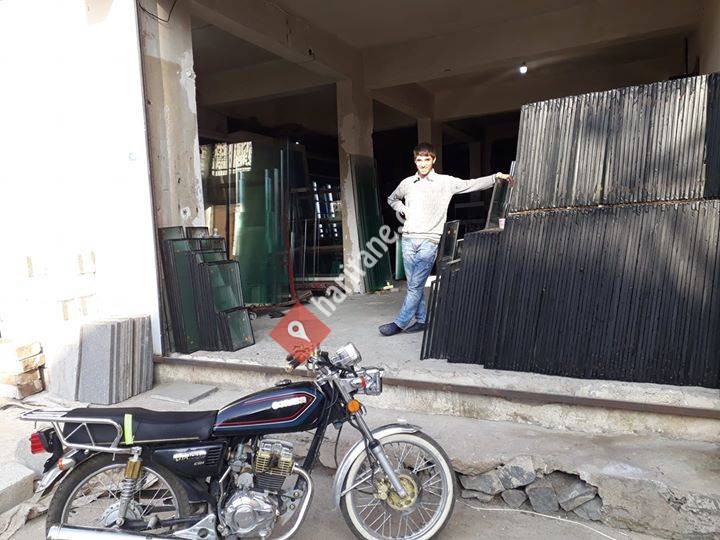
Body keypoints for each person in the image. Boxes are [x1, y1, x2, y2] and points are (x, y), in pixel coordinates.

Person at [379, 142, 512, 336]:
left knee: (415, 285)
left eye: (426, 159)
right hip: (408, 239)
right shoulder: (407, 183)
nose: (423, 164)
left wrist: (495, 177)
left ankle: (399, 324)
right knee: (413, 285)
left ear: (433, 160)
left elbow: (470, 184)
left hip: (429, 241)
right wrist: (402, 209)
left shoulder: (445, 182)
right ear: (415, 161)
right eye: (419, 160)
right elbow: (392, 199)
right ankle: (422, 321)